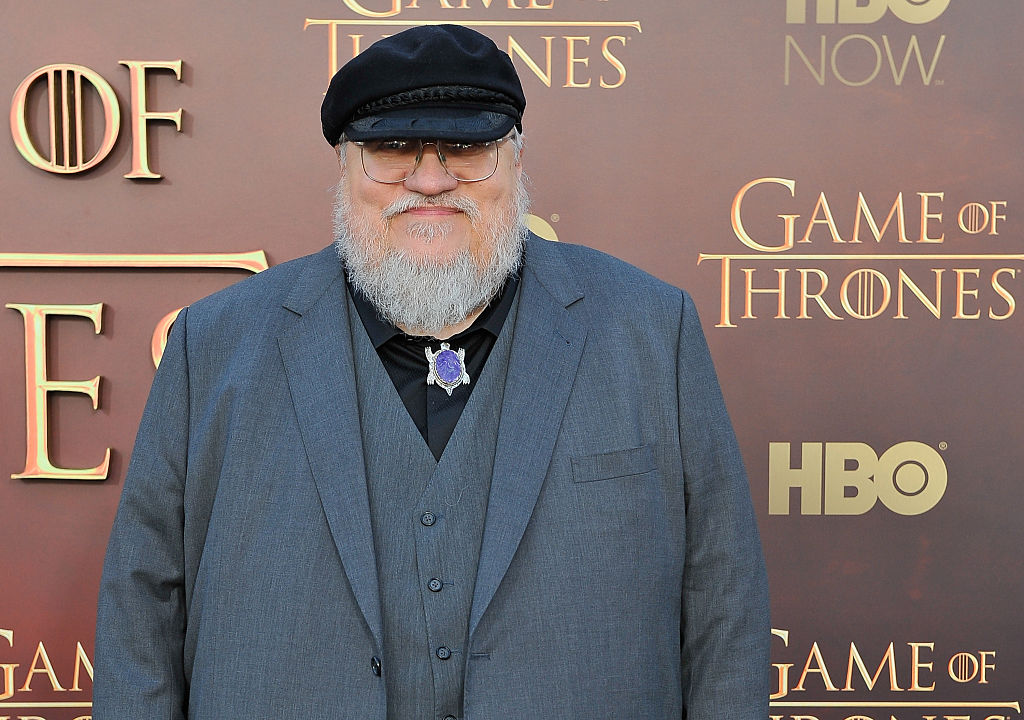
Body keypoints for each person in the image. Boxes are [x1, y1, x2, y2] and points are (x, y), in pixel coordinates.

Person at [94, 23, 769, 720]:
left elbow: (723, 602)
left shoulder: (653, 333)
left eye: (467, 147)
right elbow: (142, 611)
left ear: (516, 158)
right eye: (391, 149)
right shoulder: (213, 346)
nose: (430, 179)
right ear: (344, 165)